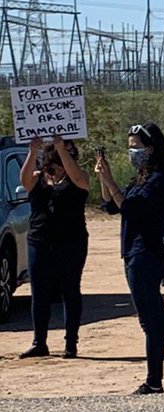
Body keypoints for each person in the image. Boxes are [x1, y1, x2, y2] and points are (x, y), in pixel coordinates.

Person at [96, 123, 164, 394]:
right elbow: (112, 206)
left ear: (151, 148)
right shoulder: (140, 176)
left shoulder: (160, 177)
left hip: (146, 254)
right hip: (133, 252)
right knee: (161, 318)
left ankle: (154, 380)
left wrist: (110, 180)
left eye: (136, 146)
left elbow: (132, 209)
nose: (132, 151)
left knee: (150, 321)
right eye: (130, 146)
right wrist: (103, 177)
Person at [17, 136, 89, 359]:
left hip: (71, 242)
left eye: (69, 150)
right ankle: (40, 341)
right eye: (57, 151)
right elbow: (25, 181)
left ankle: (71, 342)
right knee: (39, 293)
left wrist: (62, 149)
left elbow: (79, 179)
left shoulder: (78, 178)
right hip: (39, 241)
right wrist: (32, 151)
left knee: (70, 290)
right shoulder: (39, 178)